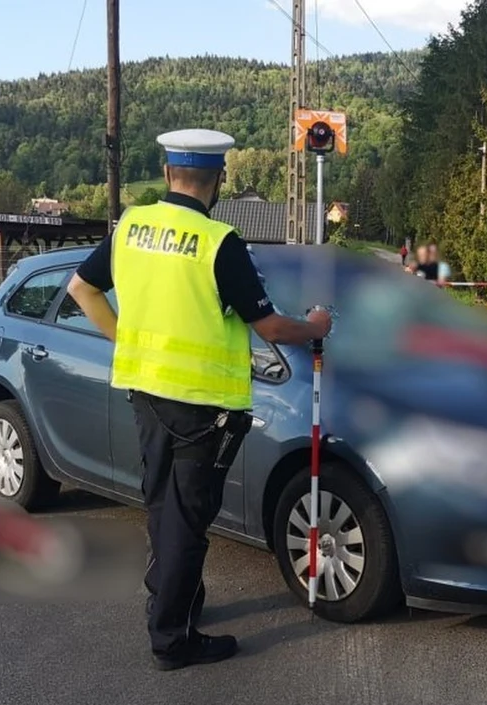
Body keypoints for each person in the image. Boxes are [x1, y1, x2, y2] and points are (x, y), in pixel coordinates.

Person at [66, 128, 332, 671]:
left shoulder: (131, 227)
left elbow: (81, 290)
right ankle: (173, 639)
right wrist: (316, 326)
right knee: (188, 519)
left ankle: (169, 600)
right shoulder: (218, 242)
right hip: (202, 407)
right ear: (220, 180)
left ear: (167, 173)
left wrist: (126, 339)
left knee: (162, 506)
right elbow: (270, 328)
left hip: (146, 393)